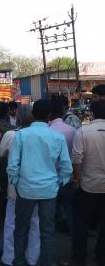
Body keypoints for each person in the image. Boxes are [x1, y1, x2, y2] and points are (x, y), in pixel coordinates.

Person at [2, 99, 73, 266]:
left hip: (25, 190)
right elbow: (66, 168)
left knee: (20, 229)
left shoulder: (21, 135)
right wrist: (57, 184)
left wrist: (17, 184)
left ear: (33, 114)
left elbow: (13, 165)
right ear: (49, 115)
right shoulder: (57, 137)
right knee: (47, 233)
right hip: (49, 191)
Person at [60, 101, 105, 266]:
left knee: (81, 223)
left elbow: (77, 159)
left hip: (87, 185)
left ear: (92, 114)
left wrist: (77, 180)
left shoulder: (83, 131)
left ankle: (79, 259)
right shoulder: (83, 131)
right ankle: (101, 257)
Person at [0, 105, 40, 266]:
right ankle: (32, 257)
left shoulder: (11, 135)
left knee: (12, 222)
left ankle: (10, 257)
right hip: (36, 185)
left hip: (15, 186)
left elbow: (0, 153)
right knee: (35, 222)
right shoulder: (40, 134)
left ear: (18, 117)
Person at [49, 99, 77, 237]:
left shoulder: (47, 131)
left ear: (49, 114)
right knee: (71, 210)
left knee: (50, 213)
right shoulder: (73, 131)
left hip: (50, 179)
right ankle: (74, 240)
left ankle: (50, 244)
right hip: (68, 178)